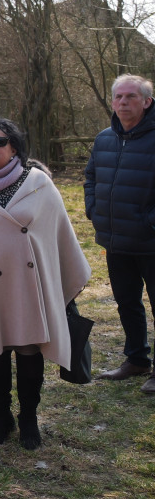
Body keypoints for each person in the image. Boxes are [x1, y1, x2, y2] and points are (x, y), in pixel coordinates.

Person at [0, 116, 90, 449]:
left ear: (14, 147)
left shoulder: (38, 182)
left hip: (27, 285)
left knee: (28, 351)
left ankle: (29, 417)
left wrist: (61, 283)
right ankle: (1, 415)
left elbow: (59, 236)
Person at [85, 74, 155, 394]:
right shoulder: (103, 139)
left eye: (131, 97)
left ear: (146, 102)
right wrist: (95, 212)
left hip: (150, 241)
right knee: (127, 303)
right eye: (118, 97)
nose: (123, 102)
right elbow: (90, 178)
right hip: (115, 240)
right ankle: (137, 359)